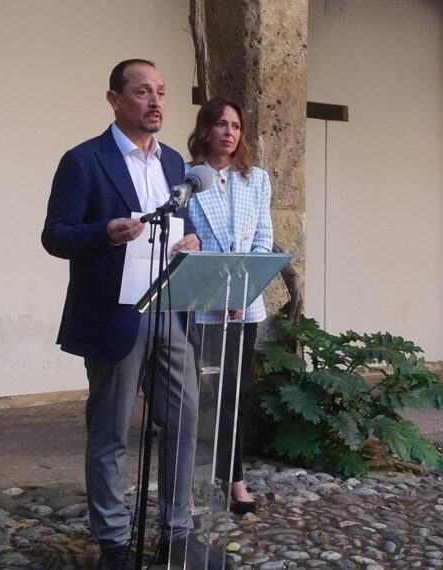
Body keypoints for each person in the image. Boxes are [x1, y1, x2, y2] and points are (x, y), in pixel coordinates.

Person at [42, 59, 230, 570]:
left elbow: (180, 218)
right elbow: (55, 235)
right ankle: (114, 544)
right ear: (115, 99)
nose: (155, 102)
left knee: (185, 418)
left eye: (161, 92)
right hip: (114, 312)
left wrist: (189, 239)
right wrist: (103, 233)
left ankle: (176, 532)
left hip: (169, 306)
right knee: (110, 430)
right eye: (143, 91)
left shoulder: (173, 162)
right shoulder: (84, 160)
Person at [187, 98, 274, 515]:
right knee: (199, 396)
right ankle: (193, 477)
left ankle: (234, 477)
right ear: (205, 129)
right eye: (221, 124)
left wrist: (241, 293)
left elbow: (262, 240)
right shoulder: (187, 179)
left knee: (233, 395)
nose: (229, 132)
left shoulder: (255, 179)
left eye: (236, 126)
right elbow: (185, 240)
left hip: (243, 307)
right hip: (201, 304)